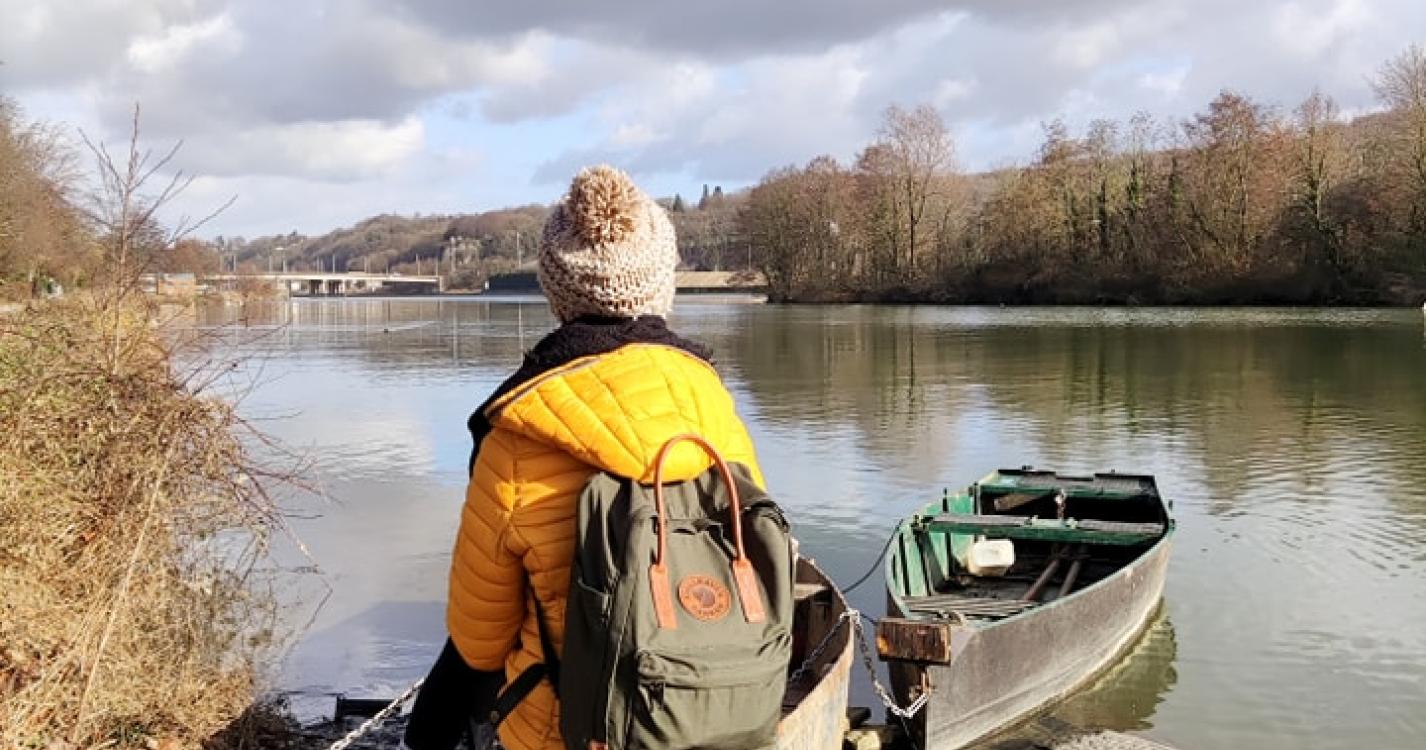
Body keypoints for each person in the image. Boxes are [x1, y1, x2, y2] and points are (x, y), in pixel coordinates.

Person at [402, 165, 765, 750]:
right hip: (715, 718)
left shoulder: (515, 435)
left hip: (567, 734)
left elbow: (479, 643)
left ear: (555, 291)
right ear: (662, 282)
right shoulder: (715, 410)